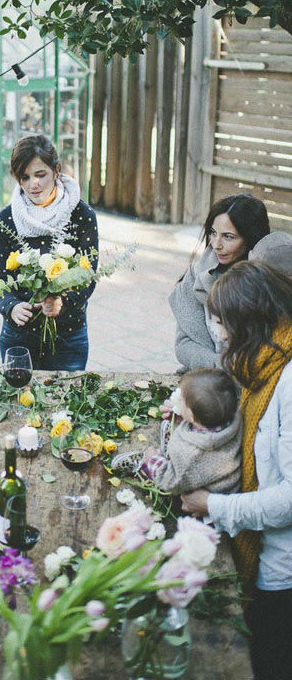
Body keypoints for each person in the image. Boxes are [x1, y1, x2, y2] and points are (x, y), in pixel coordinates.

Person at [181, 262, 292, 680]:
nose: (219, 333)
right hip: (261, 548)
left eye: (222, 322)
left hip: (281, 571)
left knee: (264, 661)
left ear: (249, 321)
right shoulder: (260, 361)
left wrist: (212, 504)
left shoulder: (288, 381)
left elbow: (288, 500)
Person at [0, 134, 98, 371]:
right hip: (19, 337)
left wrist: (62, 302)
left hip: (68, 336)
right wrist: (11, 306)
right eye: (25, 177)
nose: (33, 184)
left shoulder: (82, 215)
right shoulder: (6, 220)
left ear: (56, 170)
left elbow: (89, 276)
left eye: (40, 175)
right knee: (19, 394)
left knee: (67, 395)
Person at [169, 193, 270, 371]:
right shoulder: (197, 275)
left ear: (250, 238)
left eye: (228, 236)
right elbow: (183, 345)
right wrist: (221, 365)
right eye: (213, 233)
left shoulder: (268, 283)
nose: (216, 244)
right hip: (205, 376)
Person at [111, 368, 241, 494]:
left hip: (194, 489)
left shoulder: (189, 452)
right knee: (171, 428)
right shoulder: (232, 418)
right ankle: (168, 450)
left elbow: (172, 481)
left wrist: (152, 459)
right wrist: (184, 419)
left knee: (160, 472)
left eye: (182, 401)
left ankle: (145, 466)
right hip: (209, 474)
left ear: (191, 415)